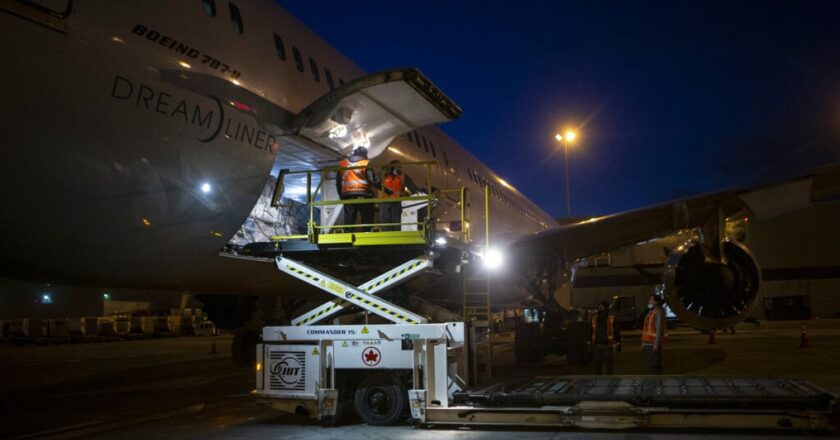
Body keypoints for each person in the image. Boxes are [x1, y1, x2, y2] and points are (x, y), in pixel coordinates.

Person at [336, 147, 379, 230]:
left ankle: (348, 238)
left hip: (347, 195)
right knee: (367, 217)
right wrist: (387, 190)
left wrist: (341, 195)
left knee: (349, 219)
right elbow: (373, 180)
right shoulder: (365, 163)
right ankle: (366, 236)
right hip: (363, 194)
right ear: (364, 154)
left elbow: (338, 182)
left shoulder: (342, 163)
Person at [380, 160, 418, 231]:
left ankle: (396, 236)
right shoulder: (384, 176)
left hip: (397, 202)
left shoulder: (402, 176)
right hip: (385, 202)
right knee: (385, 221)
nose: (399, 168)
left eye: (399, 167)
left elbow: (413, 187)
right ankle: (387, 237)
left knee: (396, 221)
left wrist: (419, 192)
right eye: (397, 167)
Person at [591, 300, 621, 375]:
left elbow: (616, 331)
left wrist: (618, 343)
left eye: (601, 307)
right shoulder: (594, 318)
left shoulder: (611, 318)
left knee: (608, 365)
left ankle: (609, 381)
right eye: (599, 307)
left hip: (607, 345)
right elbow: (591, 330)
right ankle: (599, 381)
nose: (600, 309)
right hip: (597, 345)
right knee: (598, 366)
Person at [641, 294, 666, 374]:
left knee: (655, 365)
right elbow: (646, 329)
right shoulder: (651, 312)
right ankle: (653, 382)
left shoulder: (658, 313)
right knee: (651, 364)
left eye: (651, 300)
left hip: (653, 343)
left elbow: (659, 329)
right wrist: (644, 342)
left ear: (657, 302)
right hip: (648, 343)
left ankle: (657, 382)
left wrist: (656, 343)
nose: (649, 301)